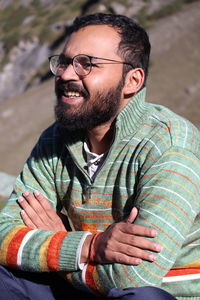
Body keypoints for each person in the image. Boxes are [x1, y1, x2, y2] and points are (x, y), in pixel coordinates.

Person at [0, 12, 199, 300]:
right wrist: (88, 247)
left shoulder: (170, 146)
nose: (67, 74)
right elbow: (4, 234)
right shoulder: (54, 140)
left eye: (87, 64)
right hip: (84, 286)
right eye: (65, 61)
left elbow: (131, 276)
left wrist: (57, 249)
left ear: (132, 81)